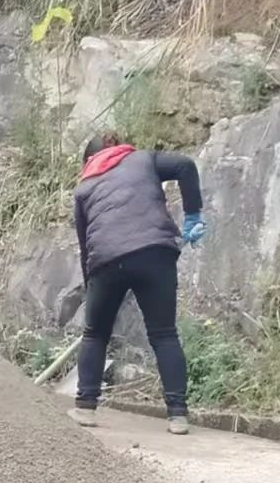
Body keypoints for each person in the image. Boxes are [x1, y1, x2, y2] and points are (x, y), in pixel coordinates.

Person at [68, 133, 206, 435]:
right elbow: (184, 165)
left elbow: (85, 245)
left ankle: (85, 408)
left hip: (106, 260)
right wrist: (193, 214)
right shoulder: (143, 160)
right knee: (164, 334)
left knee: (95, 334)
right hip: (155, 253)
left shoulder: (84, 188)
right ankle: (178, 415)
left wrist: (93, 287)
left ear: (89, 160)